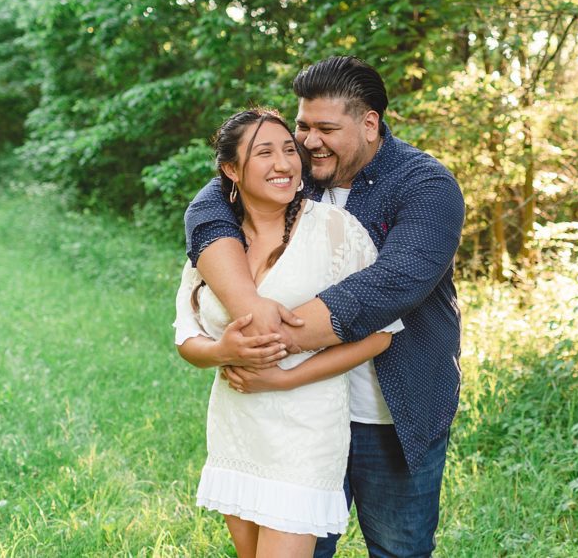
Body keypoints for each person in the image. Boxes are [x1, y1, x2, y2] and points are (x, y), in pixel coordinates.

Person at [184, 56, 465, 557]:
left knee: (400, 550)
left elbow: (394, 283)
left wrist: (269, 339)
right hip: (296, 421)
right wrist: (249, 306)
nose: (309, 142)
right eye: (302, 126)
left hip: (389, 415)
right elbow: (209, 206)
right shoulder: (293, 172)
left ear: (370, 123)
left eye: (326, 129)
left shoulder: (425, 186)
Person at [174, 108, 403, 557]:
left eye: (287, 150)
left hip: (305, 435)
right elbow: (187, 340)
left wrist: (282, 377)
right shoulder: (214, 244)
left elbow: (380, 335)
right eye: (264, 153)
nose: (284, 163)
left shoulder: (336, 230)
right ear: (231, 170)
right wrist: (222, 349)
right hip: (236, 430)